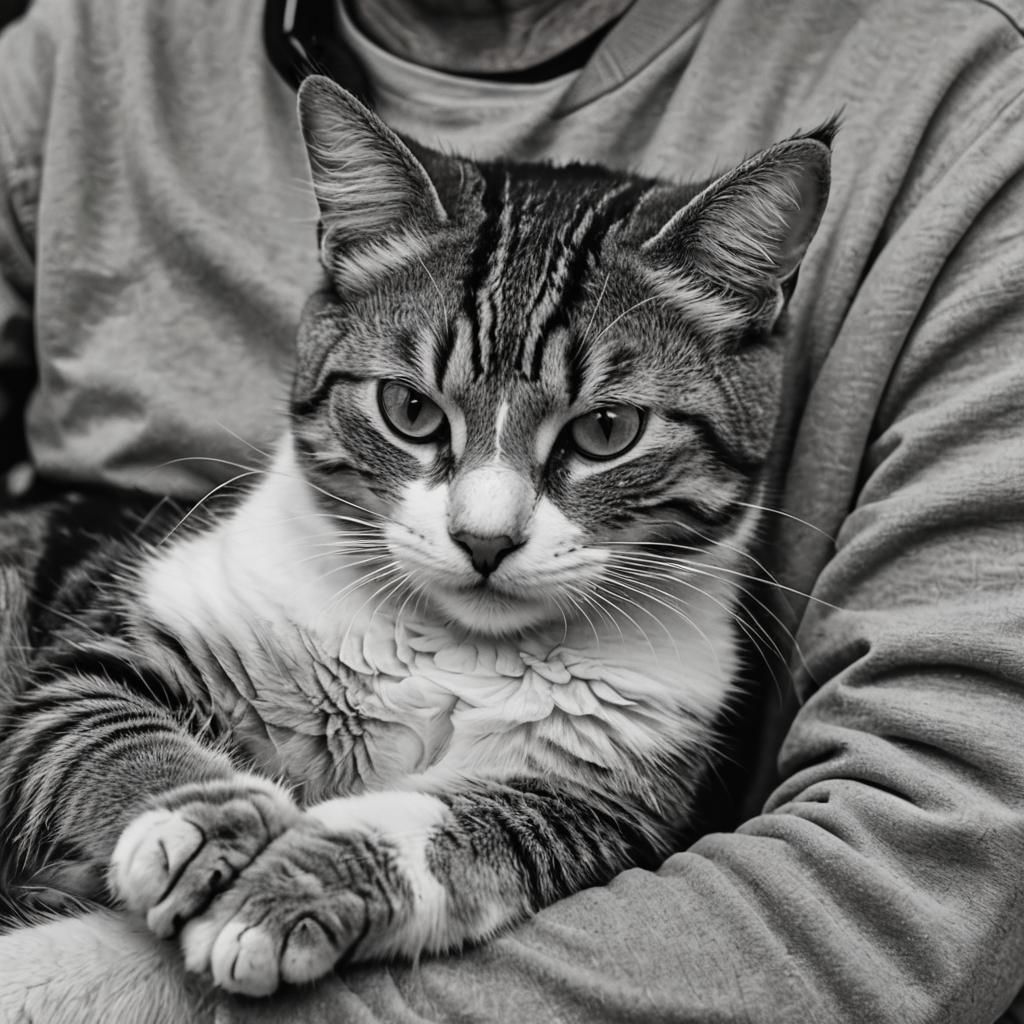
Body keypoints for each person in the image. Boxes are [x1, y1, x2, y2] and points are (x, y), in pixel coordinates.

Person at [2, 0, 1024, 1021]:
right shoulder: (89, 37)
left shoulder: (968, 101)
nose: (484, 525)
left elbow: (920, 882)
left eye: (603, 432)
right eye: (412, 408)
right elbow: (80, 711)